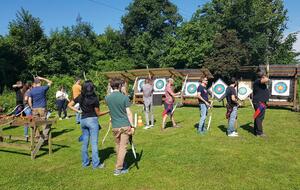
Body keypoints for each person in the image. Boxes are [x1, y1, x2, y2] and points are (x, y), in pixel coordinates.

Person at [68, 80, 109, 169]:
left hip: (83, 121)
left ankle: (85, 163)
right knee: (94, 143)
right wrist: (108, 111)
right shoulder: (95, 98)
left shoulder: (80, 97)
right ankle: (96, 164)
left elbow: (70, 105)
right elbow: (98, 113)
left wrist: (78, 111)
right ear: (92, 88)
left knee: (85, 143)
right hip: (92, 121)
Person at [105, 78, 134, 176]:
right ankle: (118, 169)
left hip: (115, 126)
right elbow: (129, 113)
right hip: (124, 125)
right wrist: (132, 126)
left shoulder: (107, 98)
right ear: (120, 86)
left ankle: (121, 163)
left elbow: (111, 111)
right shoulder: (124, 97)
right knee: (123, 147)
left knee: (118, 146)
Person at [253, 71, 270, 137]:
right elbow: (267, 79)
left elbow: (266, 80)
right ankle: (259, 133)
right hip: (259, 103)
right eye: (263, 75)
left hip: (260, 102)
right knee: (259, 117)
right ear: (262, 76)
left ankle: (256, 130)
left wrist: (264, 75)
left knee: (257, 116)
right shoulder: (257, 81)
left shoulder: (259, 82)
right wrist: (265, 76)